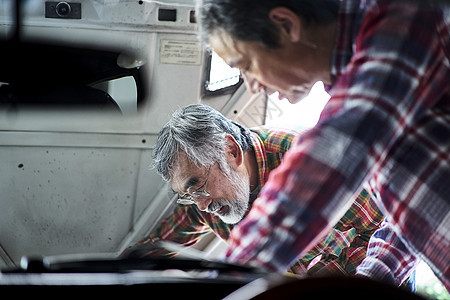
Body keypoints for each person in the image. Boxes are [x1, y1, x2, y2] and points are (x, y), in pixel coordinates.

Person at [196, 0, 449, 290]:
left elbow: (335, 150)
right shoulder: (366, 89)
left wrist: (228, 281)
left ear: (286, 24)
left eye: (247, 65)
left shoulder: (407, 18)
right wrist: (367, 280)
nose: (253, 86)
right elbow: (408, 216)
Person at [132, 103, 385, 277]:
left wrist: (325, 280)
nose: (201, 205)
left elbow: (385, 227)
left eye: (197, 185)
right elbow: (157, 249)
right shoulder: (201, 201)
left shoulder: (310, 161)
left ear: (230, 152)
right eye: (187, 194)